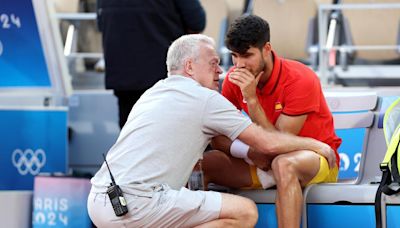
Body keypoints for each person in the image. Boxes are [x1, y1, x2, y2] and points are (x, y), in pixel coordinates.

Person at [87, 34, 336, 227]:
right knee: (245, 212)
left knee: (203, 166)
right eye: (214, 63)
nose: (221, 70)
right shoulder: (205, 98)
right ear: (189, 66)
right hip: (139, 204)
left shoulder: (151, 93)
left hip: (100, 199)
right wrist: (315, 145)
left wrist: (250, 151)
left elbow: (225, 141)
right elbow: (267, 143)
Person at [202, 15, 342, 228]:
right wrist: (249, 153)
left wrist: (251, 99)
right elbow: (218, 137)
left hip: (315, 160)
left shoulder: (301, 78)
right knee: (204, 163)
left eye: (247, 55)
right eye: (234, 56)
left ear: (266, 49)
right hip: (263, 162)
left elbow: (278, 146)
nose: (239, 65)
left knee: (283, 164)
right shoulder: (234, 78)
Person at [97, 0, 206, 128]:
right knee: (168, 135)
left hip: (124, 76)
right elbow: (196, 21)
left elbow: (101, 23)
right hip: (164, 76)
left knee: (131, 137)